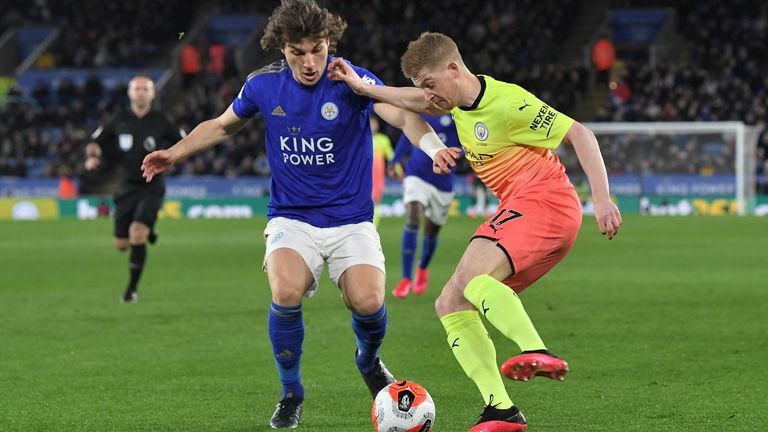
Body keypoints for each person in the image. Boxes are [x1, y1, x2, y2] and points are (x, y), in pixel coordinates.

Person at [140, 2, 457, 429]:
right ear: (281, 49)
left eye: (318, 49)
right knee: (285, 292)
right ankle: (291, 391)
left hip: (350, 218)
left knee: (368, 301)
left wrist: (435, 149)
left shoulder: (352, 79)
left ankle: (368, 360)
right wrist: (173, 153)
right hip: (292, 217)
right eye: (297, 52)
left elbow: (403, 114)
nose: (309, 62)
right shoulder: (263, 85)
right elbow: (220, 125)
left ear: (330, 43)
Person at [328, 32, 622, 432]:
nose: (427, 96)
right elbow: (409, 100)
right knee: (450, 302)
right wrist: (361, 87)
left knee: (471, 280)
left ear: (453, 69)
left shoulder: (508, 102)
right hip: (522, 210)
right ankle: (500, 409)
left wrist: (602, 199)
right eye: (422, 88)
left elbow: (580, 134)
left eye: (430, 85)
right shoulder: (455, 101)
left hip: (545, 203)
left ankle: (536, 349)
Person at [84, 75, 186, 303]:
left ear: (152, 94)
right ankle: (148, 230)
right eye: (136, 88)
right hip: (126, 185)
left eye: (145, 89)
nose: (140, 92)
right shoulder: (118, 119)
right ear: (130, 93)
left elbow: (183, 143)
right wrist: (92, 157)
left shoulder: (162, 121)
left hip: (152, 184)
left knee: (137, 233)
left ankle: (131, 290)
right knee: (122, 244)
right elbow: (95, 143)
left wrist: (174, 157)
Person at [389, 113, 461, 298]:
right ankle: (405, 278)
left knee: (432, 230)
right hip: (416, 174)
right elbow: (408, 135)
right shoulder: (422, 109)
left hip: (443, 181)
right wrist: (395, 159)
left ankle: (422, 268)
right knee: (413, 218)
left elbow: (468, 143)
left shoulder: (458, 113)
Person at [370, 115, 394, 227]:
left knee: (376, 202)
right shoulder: (360, 138)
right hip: (361, 175)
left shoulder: (383, 140)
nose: (372, 126)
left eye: (374, 123)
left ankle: (373, 227)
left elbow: (391, 157)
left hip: (377, 177)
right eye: (370, 123)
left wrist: (397, 170)